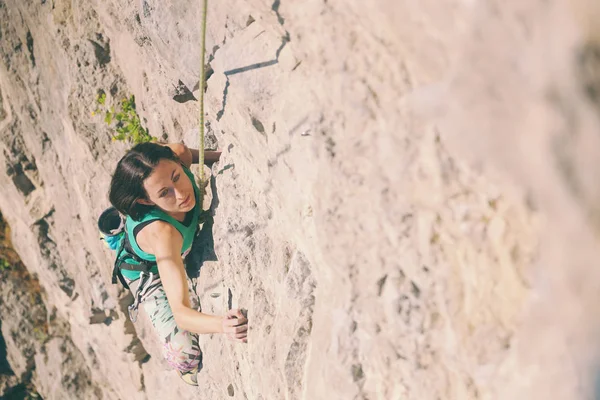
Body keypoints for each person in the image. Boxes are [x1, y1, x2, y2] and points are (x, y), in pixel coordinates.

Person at [107, 142, 248, 386]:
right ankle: (183, 369)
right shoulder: (163, 234)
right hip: (145, 269)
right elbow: (181, 314)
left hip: (172, 249)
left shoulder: (179, 155)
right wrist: (222, 324)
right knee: (186, 355)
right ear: (145, 201)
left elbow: (201, 155)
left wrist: (223, 156)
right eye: (164, 193)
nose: (181, 194)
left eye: (177, 177)